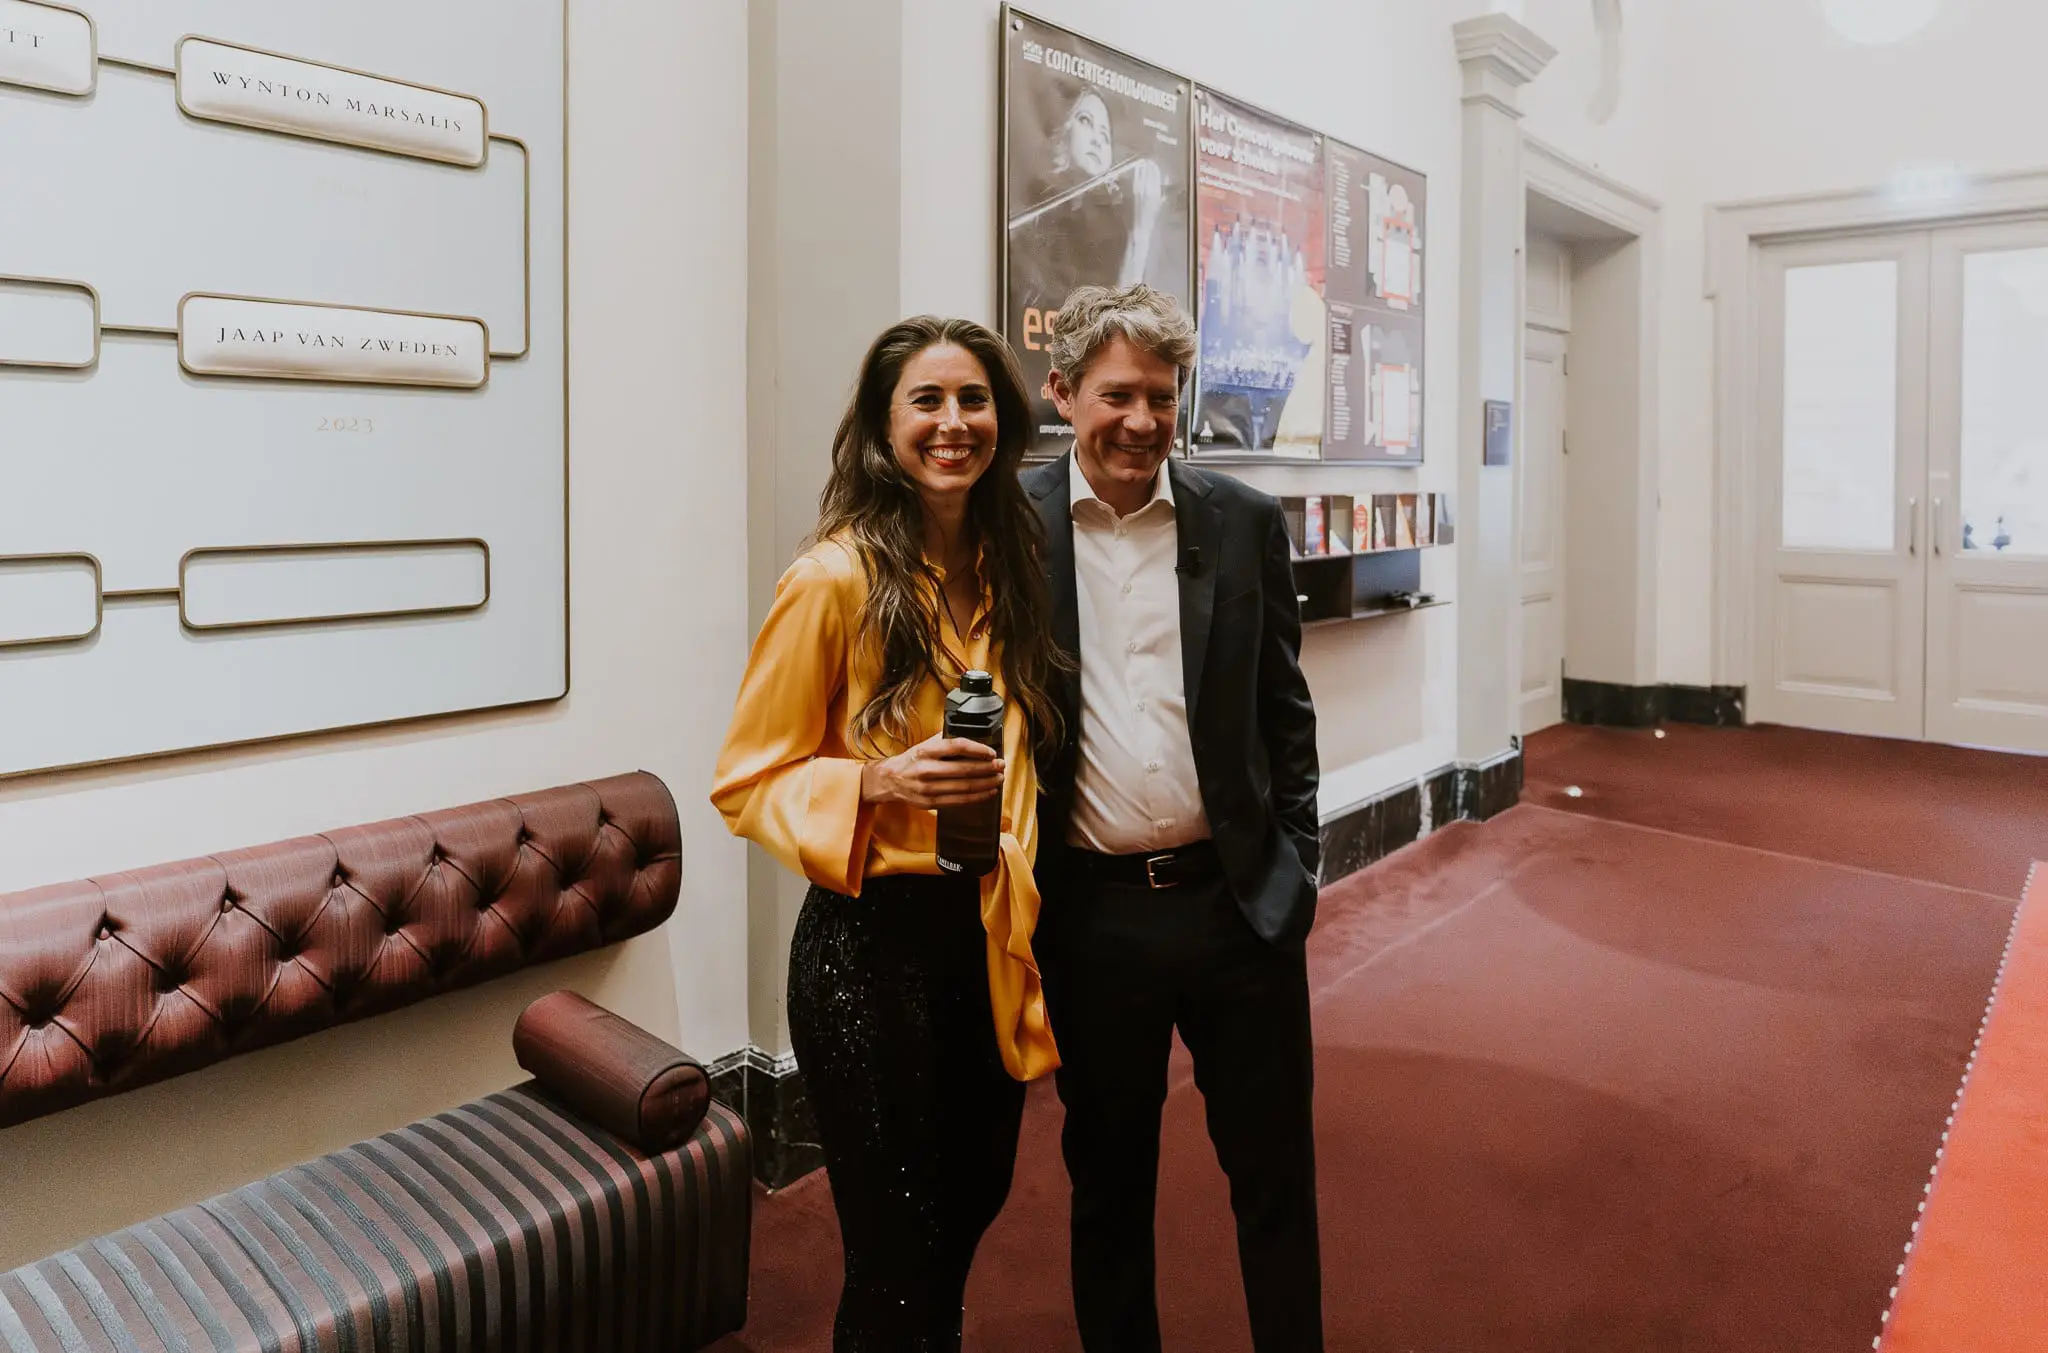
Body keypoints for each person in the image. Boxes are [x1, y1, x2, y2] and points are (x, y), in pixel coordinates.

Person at [712, 316, 1065, 1351]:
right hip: (869, 955)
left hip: (983, 938)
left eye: (974, 399)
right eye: (927, 400)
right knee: (895, 1254)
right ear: (881, 425)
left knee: (966, 1211)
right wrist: (877, 780)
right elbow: (745, 781)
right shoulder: (831, 580)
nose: (954, 422)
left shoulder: (1011, 568)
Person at [1022, 282, 1325, 1352]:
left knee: (1274, 1175)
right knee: (1108, 1186)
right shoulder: (1006, 529)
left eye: (1162, 395)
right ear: (1062, 392)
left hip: (1236, 906)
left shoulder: (1240, 522)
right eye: (1117, 395)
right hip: (1091, 921)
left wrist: (1299, 862)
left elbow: (1285, 710)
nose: (1142, 420)